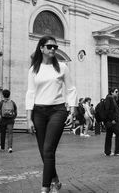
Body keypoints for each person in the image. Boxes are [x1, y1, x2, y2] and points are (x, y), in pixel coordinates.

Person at [25, 35, 77, 193]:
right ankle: (55, 180)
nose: (53, 49)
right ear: (41, 48)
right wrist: (28, 118)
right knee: (44, 151)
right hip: (38, 112)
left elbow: (71, 89)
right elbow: (30, 93)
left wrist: (73, 110)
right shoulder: (34, 69)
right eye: (49, 46)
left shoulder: (62, 67)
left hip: (57, 110)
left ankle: (45, 187)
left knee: (48, 149)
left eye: (55, 47)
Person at [103, 88, 119, 156]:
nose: (117, 93)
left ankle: (107, 151)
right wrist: (112, 119)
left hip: (109, 121)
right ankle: (117, 151)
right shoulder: (110, 99)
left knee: (109, 135)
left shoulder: (112, 99)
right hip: (111, 121)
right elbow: (108, 110)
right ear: (112, 92)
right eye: (116, 92)